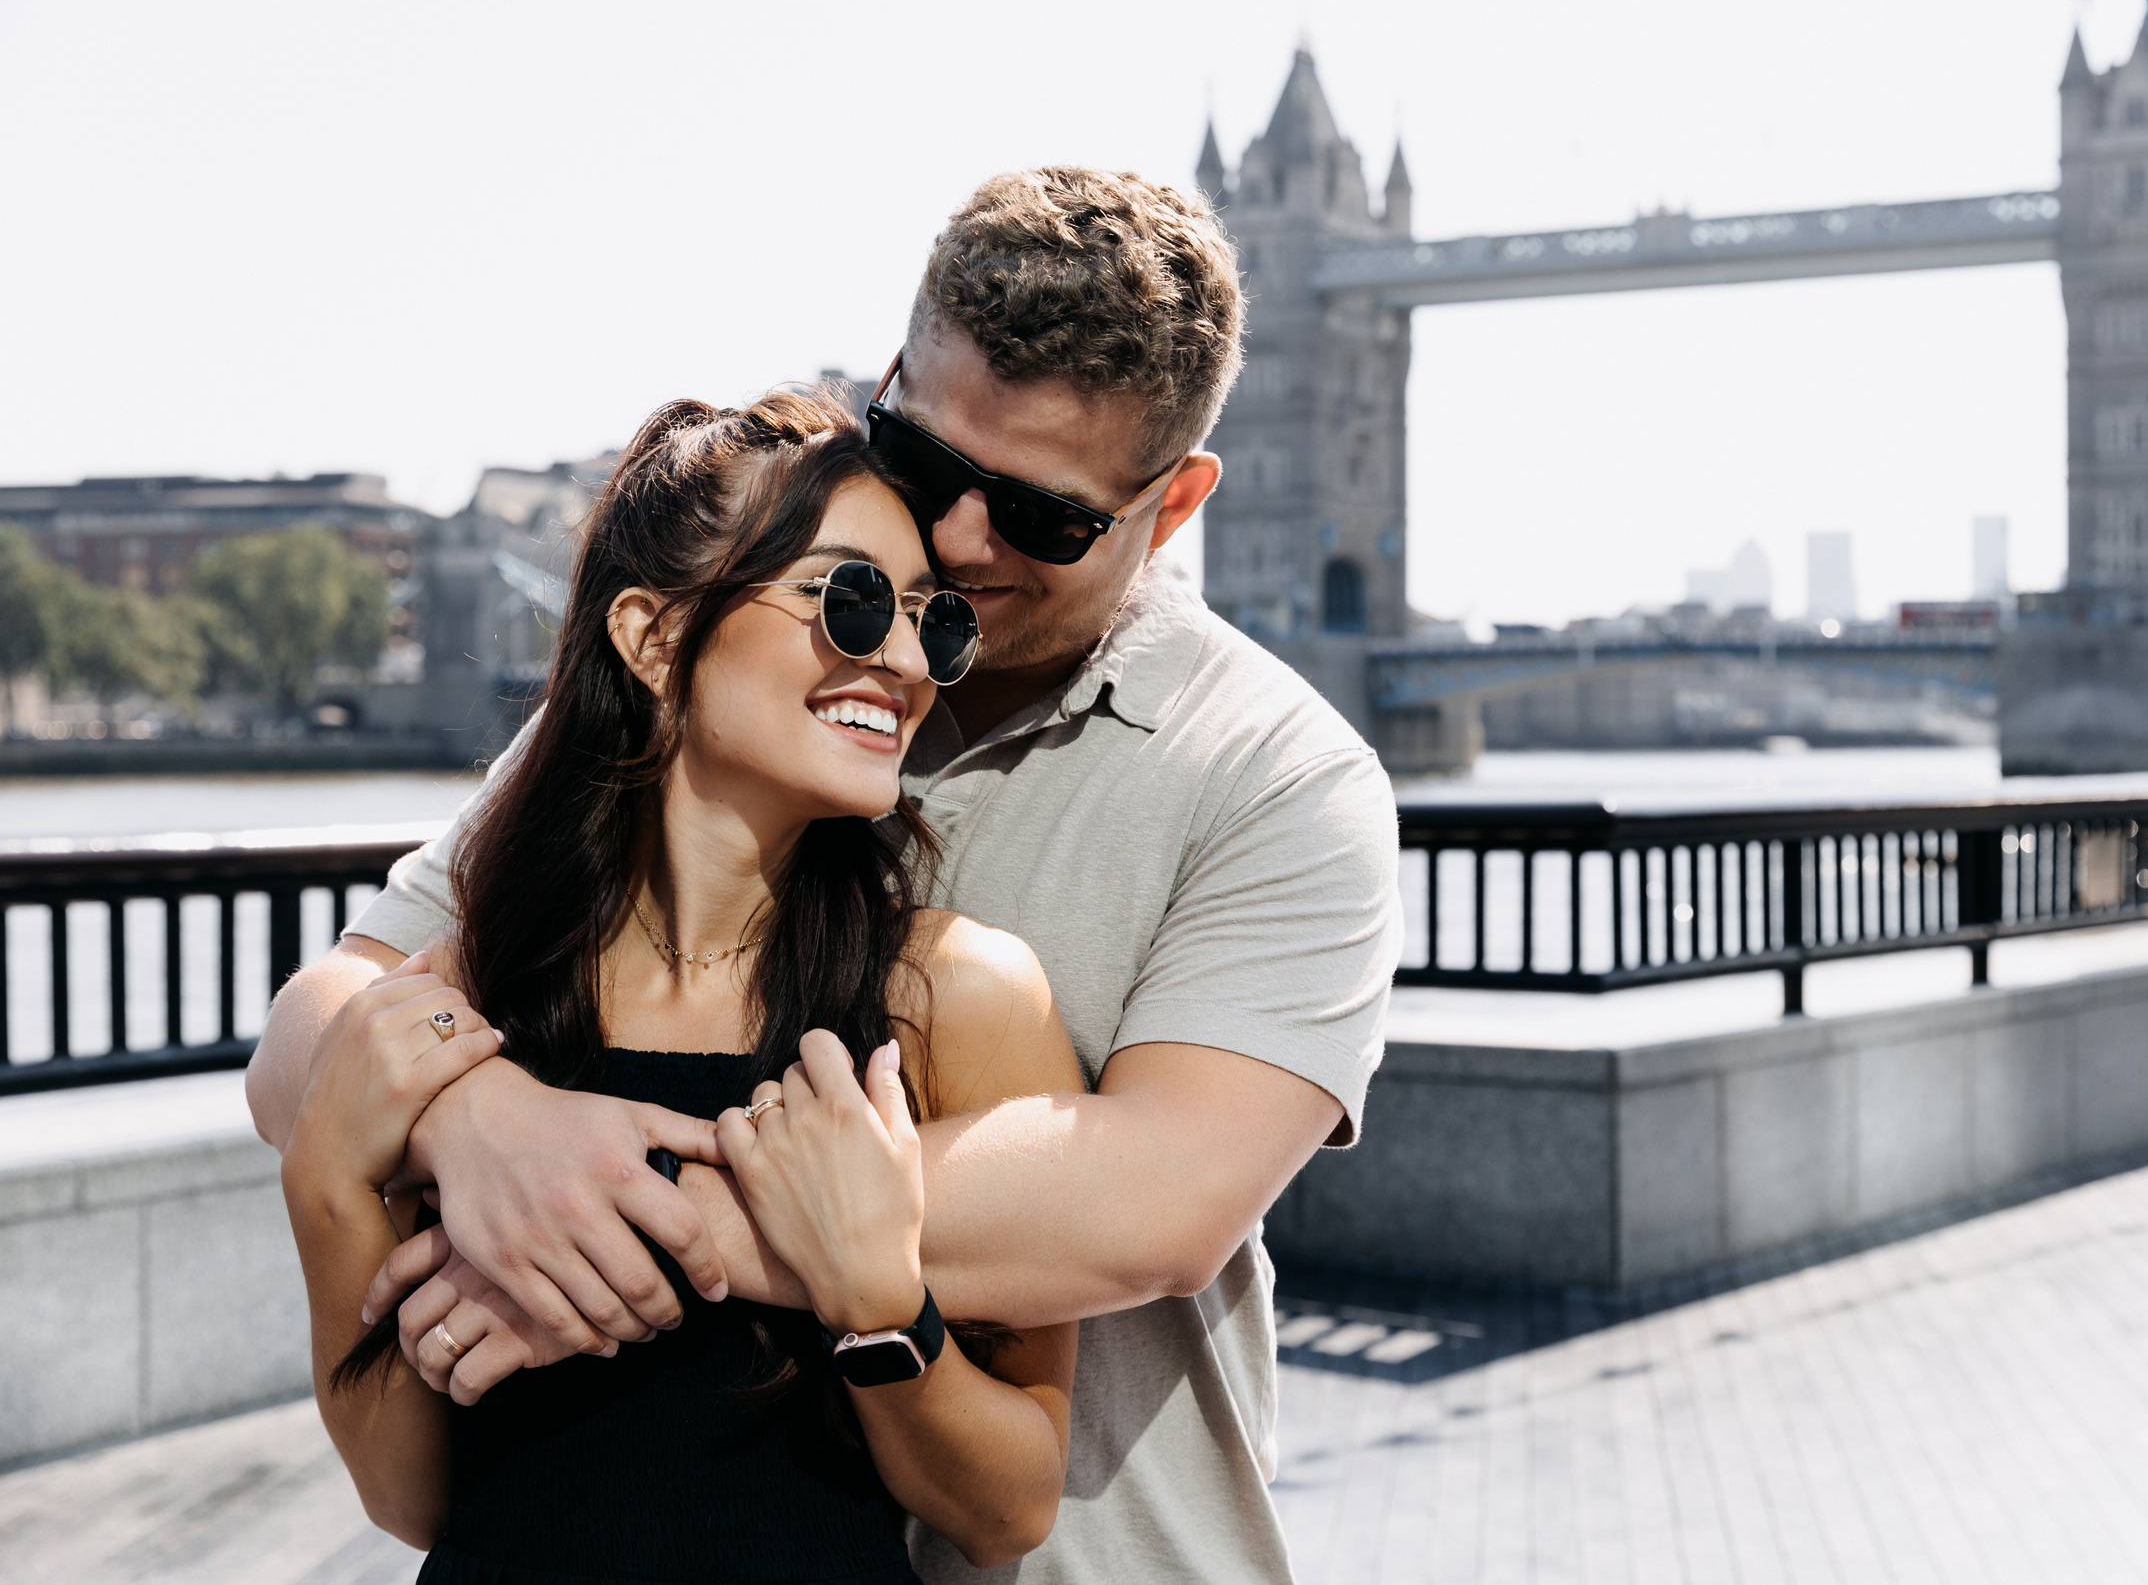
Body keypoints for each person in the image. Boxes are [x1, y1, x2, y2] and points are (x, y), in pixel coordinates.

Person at [249, 166, 1402, 1583]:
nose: (960, 546)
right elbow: (324, 1025)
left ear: (1172, 507)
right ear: (884, 388)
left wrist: (605, 1222)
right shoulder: (676, 704)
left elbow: (1157, 1201)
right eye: (923, 461)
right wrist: (480, 1122)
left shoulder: (1282, 776)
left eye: (1045, 518)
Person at [283, 390, 1087, 1581]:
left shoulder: (954, 997)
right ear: (654, 640)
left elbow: (1009, 1510)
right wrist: (326, 1182)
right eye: (852, 600)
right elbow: (414, 1499)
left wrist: (874, 1301)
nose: (907, 661)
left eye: (934, 620)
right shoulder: (470, 995)